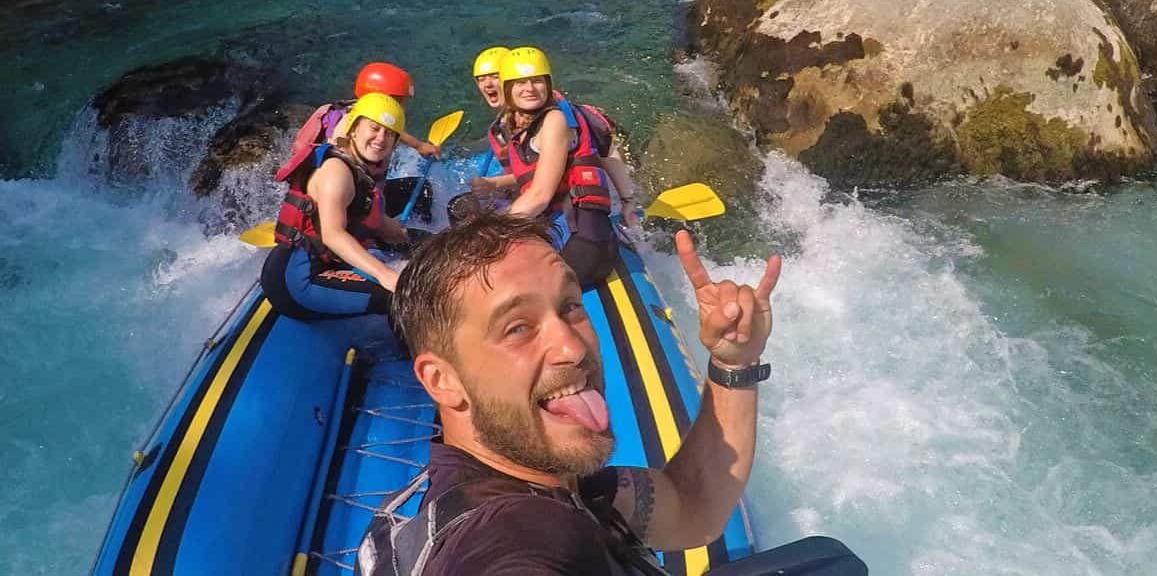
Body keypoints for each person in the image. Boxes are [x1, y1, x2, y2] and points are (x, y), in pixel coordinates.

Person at [358, 213, 782, 575]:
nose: (573, 347)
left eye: (570, 307)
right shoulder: (519, 534)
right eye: (517, 328)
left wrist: (733, 364)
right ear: (441, 380)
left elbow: (694, 508)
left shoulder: (542, 479)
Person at [478, 46, 641, 286]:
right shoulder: (518, 130)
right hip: (561, 231)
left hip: (585, 243)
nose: (530, 88)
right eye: (520, 83)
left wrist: (491, 232)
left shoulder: (555, 120)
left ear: (548, 83)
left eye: (537, 81)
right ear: (508, 90)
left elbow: (540, 195)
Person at [260, 93, 411, 320]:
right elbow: (332, 235)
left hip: (322, 263)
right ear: (354, 129)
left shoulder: (358, 168)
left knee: (420, 246)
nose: (380, 138)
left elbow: (357, 214)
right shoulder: (336, 172)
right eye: (374, 128)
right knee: (403, 297)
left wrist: (388, 228)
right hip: (299, 282)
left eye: (389, 133)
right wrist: (385, 274)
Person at [276, 62, 437, 220]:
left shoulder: (359, 115)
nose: (403, 109)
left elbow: (395, 131)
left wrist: (419, 145)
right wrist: (383, 225)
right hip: (343, 207)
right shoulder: (344, 133)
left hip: (351, 197)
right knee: (422, 190)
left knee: (421, 188)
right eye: (399, 102)